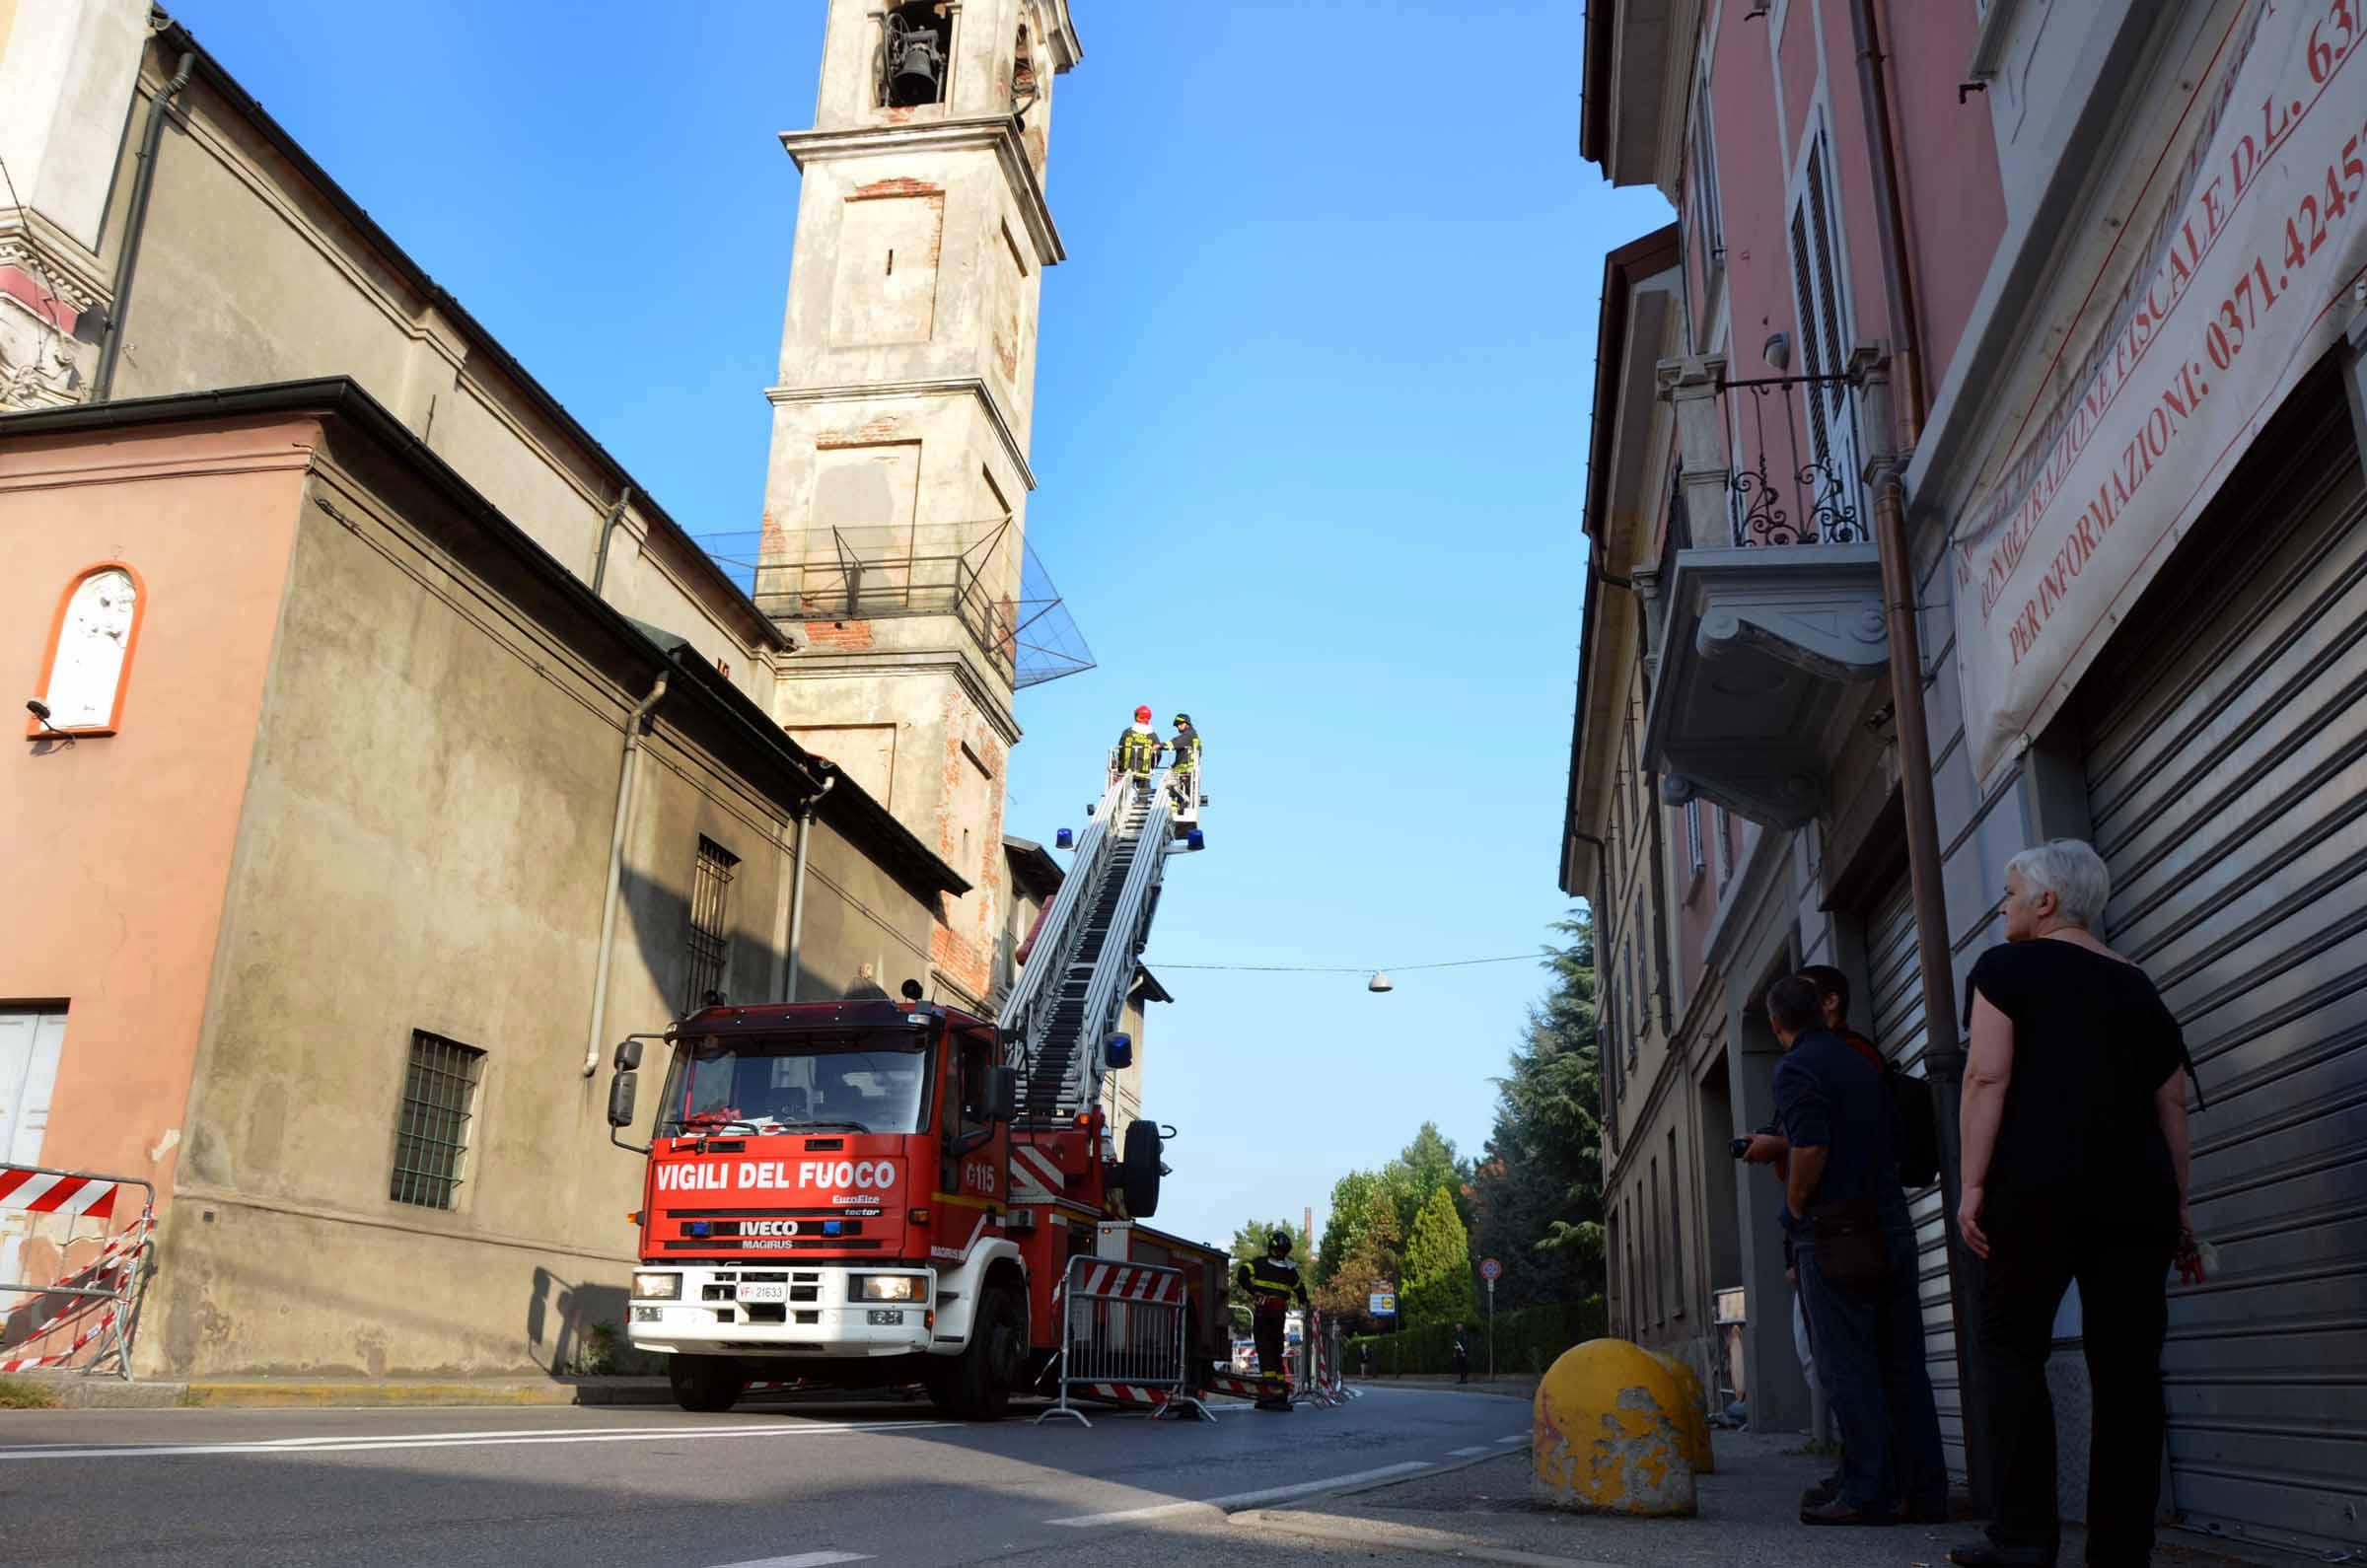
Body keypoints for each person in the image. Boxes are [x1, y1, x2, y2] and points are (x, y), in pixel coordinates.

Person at [1949, 841, 2195, 1568]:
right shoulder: (2139, 982)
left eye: (2010, 891)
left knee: (2011, 1350)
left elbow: (1985, 1080)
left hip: (2035, 1193)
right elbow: (2172, 1098)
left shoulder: (2004, 970)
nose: (2004, 906)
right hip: (2138, 1196)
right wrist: (2179, 1206)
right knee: (2128, 1369)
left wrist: (1970, 1185)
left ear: (2045, 903)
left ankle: (2025, 1540)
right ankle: (2122, 1550)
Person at [1769, 973, 1948, 1527]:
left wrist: (1796, 1208)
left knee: (1848, 1366)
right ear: (1823, 1012)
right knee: (1904, 1365)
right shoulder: (1863, 1060)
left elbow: (1813, 1145)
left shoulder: (1797, 1066)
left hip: (1837, 1233)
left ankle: (1867, 1490)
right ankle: (1923, 1491)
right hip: (1891, 1224)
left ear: (1779, 1025)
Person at [1236, 1229, 1308, 1411]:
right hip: (1277, 1315)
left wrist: (1253, 1291)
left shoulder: (1259, 1264)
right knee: (1275, 1351)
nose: (1281, 1254)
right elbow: (1300, 1290)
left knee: (1267, 1350)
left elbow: (1242, 1274)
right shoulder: (1289, 1269)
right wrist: (1305, 1303)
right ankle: (1278, 1392)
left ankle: (1270, 1392)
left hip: (1264, 1314)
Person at [1113, 704, 1162, 786]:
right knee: (1143, 795)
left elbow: (1121, 751)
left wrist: (1120, 769)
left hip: (1127, 771)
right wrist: (1152, 767)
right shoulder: (1153, 735)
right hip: (1144, 772)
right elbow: (1158, 754)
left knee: (1125, 794)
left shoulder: (1128, 732)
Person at [1167, 713, 1201, 807]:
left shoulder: (1188, 735)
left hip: (1184, 771)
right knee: (1185, 796)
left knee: (1175, 792)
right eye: (1177, 725)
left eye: (1180, 724)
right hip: (1189, 772)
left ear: (1187, 723)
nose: (1178, 727)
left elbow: (1175, 743)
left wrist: (1160, 746)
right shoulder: (1194, 736)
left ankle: (1177, 808)